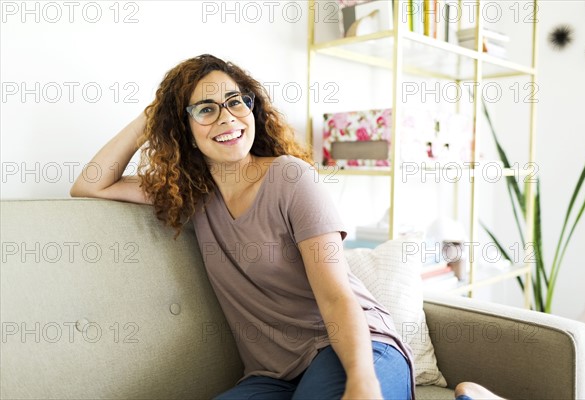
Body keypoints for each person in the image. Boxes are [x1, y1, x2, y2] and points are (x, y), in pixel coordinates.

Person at [70, 54, 503, 400]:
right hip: (272, 376)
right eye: (205, 109)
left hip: (353, 350)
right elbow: (89, 186)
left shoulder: (291, 178)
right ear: (182, 128)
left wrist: (362, 380)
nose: (227, 118)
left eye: (236, 101)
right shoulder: (191, 194)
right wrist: (151, 117)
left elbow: (335, 294)